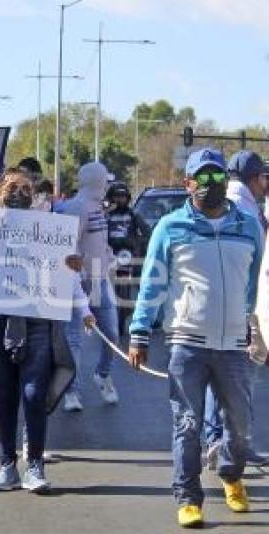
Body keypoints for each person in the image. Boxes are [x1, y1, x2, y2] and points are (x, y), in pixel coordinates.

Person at [128, 148, 263, 528]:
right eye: (202, 179)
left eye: (217, 177)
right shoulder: (170, 227)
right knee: (187, 422)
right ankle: (188, 498)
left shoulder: (249, 226)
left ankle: (232, 475)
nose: (210, 185)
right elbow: (152, 284)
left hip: (235, 344)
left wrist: (256, 328)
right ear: (188, 184)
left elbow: (254, 288)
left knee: (240, 423)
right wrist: (139, 333)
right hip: (187, 342)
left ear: (227, 180)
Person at [0, 169, 90, 493]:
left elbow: (64, 273)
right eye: (12, 188)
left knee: (34, 394)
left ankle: (35, 466)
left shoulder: (47, 230)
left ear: (34, 195)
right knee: (5, 395)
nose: (18, 194)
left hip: (37, 321)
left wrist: (81, 300)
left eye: (25, 189)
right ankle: (7, 466)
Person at [202, 150, 269, 470]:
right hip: (236, 304)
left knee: (233, 376)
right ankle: (221, 442)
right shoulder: (243, 206)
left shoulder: (235, 201)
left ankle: (232, 442)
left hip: (223, 302)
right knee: (230, 375)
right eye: (264, 178)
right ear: (254, 179)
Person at [58, 162, 120, 410]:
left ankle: (102, 374)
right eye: (105, 180)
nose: (108, 185)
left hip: (100, 280)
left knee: (112, 333)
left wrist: (109, 257)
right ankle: (70, 391)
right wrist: (76, 272)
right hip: (77, 282)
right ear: (97, 181)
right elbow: (66, 244)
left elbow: (98, 240)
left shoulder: (96, 206)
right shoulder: (76, 207)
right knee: (73, 339)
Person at [105, 182, 148, 337]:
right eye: (117, 196)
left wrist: (138, 244)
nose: (120, 199)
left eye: (123, 196)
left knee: (128, 289)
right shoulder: (105, 215)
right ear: (111, 197)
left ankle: (125, 314)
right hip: (107, 255)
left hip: (126, 256)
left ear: (128, 198)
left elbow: (146, 231)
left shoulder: (133, 215)